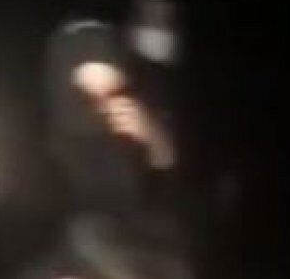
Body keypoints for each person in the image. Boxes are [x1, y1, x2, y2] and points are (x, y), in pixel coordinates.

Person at [42, 21, 192, 279]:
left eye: (111, 88)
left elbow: (172, 194)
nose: (102, 103)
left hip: (151, 245)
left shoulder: (139, 115)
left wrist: (153, 136)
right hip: (85, 252)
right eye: (87, 91)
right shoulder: (44, 141)